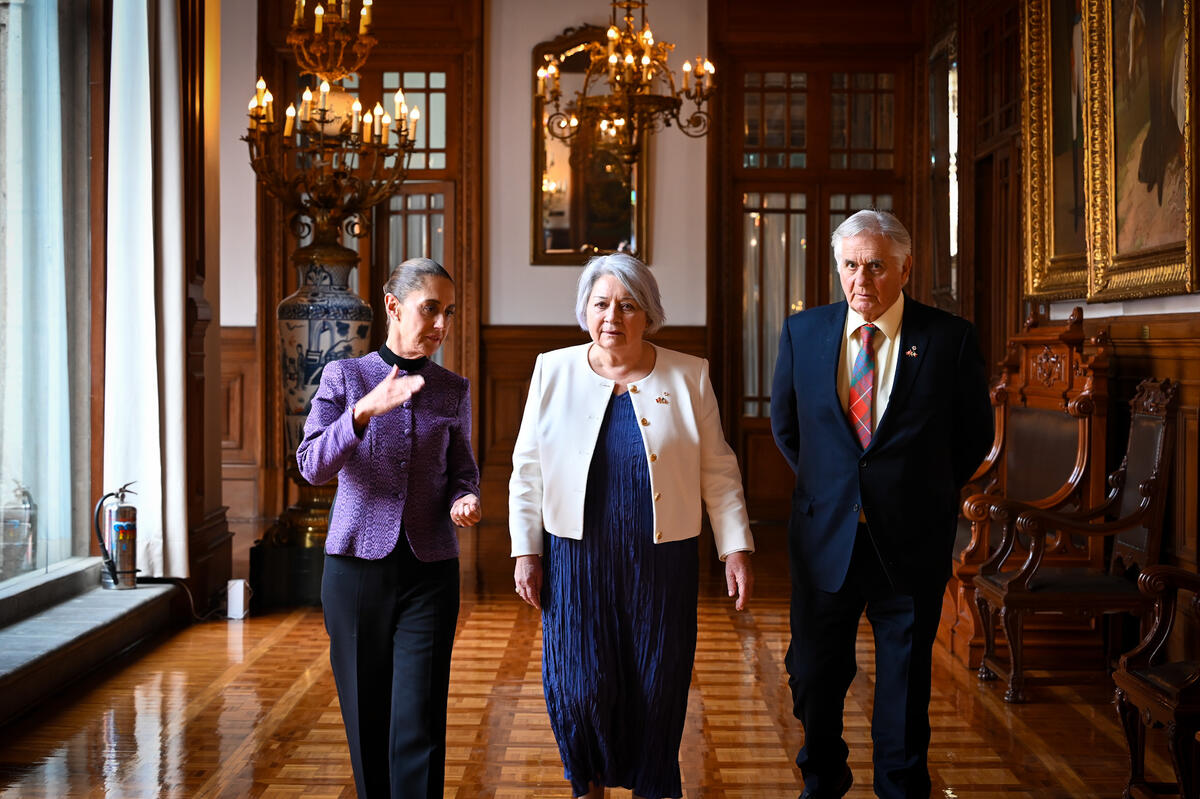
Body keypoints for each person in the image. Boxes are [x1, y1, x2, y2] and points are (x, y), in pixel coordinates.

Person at [509, 253, 755, 799]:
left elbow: (717, 468)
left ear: (650, 315)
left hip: (660, 561)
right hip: (577, 559)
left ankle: (652, 786)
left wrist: (733, 547)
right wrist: (526, 550)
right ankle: (588, 785)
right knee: (580, 686)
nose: (612, 316)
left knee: (655, 684)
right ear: (584, 310)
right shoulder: (552, 369)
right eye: (601, 304)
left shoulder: (689, 375)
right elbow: (526, 469)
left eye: (627, 305)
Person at [769, 210, 992, 799]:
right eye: (849, 265)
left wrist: (921, 495)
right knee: (814, 674)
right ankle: (823, 779)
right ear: (836, 267)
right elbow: (787, 429)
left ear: (905, 268)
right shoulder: (804, 333)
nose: (860, 279)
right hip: (824, 540)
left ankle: (899, 788)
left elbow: (973, 436)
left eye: (875, 265)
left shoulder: (949, 338)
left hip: (910, 540)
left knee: (903, 683)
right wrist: (838, 492)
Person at [297, 257, 481, 799]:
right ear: (393, 307)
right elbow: (311, 465)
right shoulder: (344, 377)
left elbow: (462, 471)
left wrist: (465, 497)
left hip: (431, 571)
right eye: (431, 309)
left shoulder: (452, 389)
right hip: (355, 570)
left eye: (448, 312)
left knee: (420, 720)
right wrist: (361, 413)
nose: (441, 325)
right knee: (366, 717)